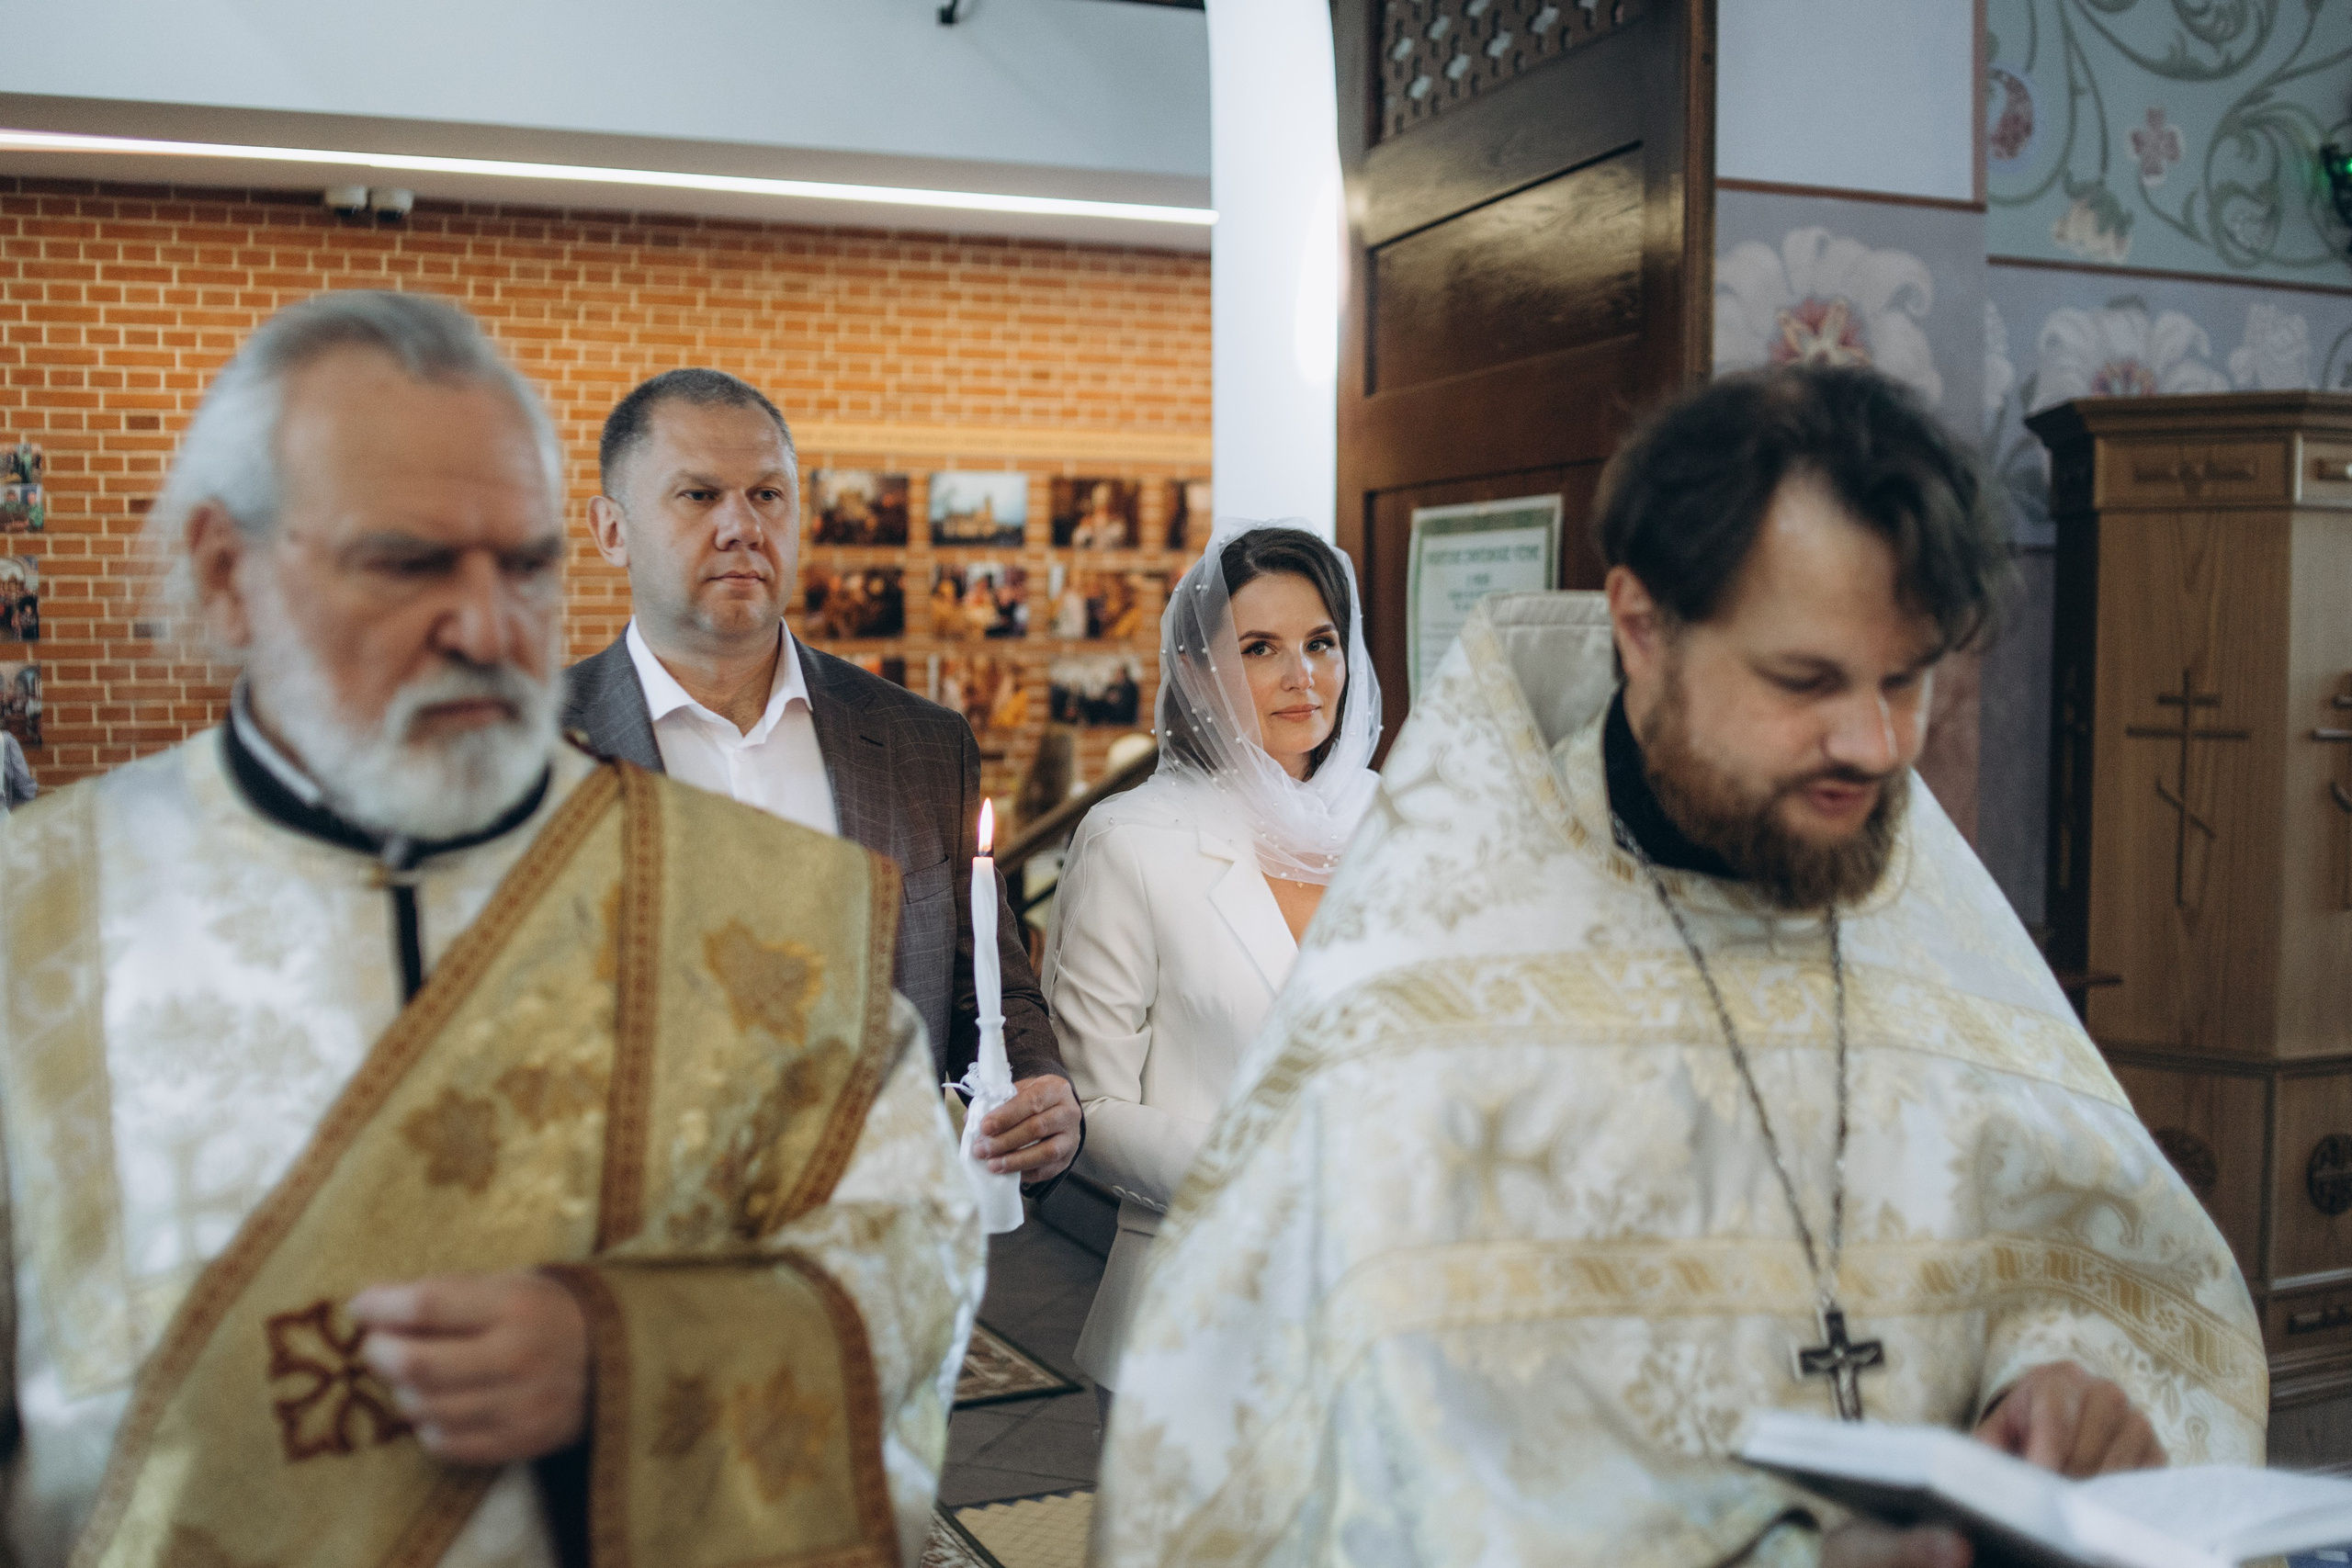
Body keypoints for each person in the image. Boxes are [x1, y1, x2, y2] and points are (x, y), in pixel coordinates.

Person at [1094, 367, 2266, 1567]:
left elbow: (2104, 1259)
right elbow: (1321, 1456)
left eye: (1905, 677)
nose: (1874, 746)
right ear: (1643, 627)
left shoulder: (1915, 886)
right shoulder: (1443, 947)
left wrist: (2063, 1381)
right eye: (1804, 679)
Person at [0, 292, 983, 1568]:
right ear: (226, 573)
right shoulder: (45, 917)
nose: (484, 626)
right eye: (406, 560)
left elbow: (908, 1248)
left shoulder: (756, 905)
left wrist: (622, 1358)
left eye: (521, 566)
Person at [561, 369, 1080, 1187]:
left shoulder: (920, 742)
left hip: (878, 1248)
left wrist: (1041, 1089)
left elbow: (988, 991)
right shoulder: (527, 756)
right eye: (698, 496)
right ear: (611, 530)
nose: (741, 526)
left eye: (768, 494)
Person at [1044, 524, 1380, 1409]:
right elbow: (1087, 1104)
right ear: (1196, 674)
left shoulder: (1405, 820)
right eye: (1260, 649)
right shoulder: (1132, 840)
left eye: (1320, 643)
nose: (1301, 675)